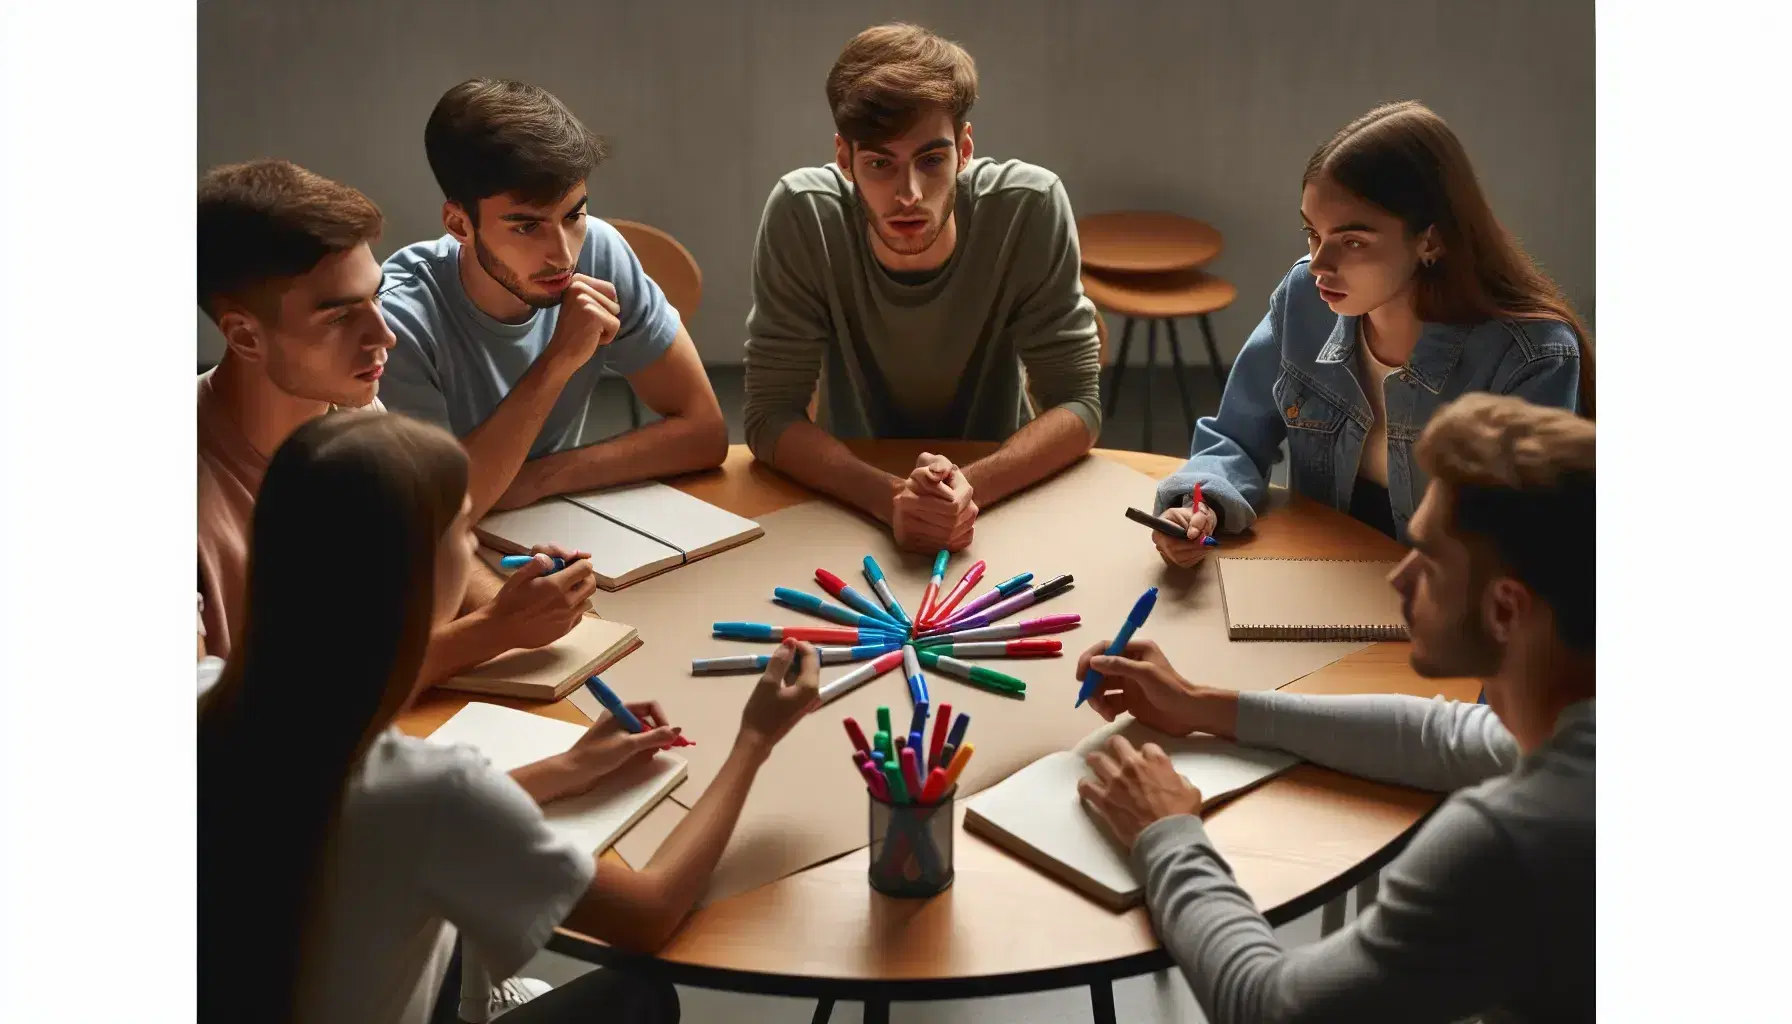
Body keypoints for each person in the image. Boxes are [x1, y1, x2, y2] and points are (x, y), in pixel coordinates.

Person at [197, 411, 822, 1024]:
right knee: (642, 998)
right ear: (420, 577)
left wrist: (567, 768)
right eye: (464, 532)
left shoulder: (207, 695)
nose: (475, 550)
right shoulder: (433, 791)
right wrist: (754, 740)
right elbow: (646, 916)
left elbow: (375, 826)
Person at [1077, 393, 1594, 1023]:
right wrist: (1200, 705)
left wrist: (1167, 836)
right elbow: (1443, 737)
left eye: (1428, 559)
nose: (1398, 579)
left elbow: (1270, 1008)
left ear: (1506, 609)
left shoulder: (1505, 841)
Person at [1148, 101, 1594, 566]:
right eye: (1312, 234)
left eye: (1353, 241)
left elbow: (1529, 551)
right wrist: (1200, 508)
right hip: (1322, 575)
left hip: (1448, 608)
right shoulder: (1304, 297)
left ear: (1430, 241)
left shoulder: (1533, 356)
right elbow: (1235, 437)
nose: (1319, 265)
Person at [197, 160, 589, 680]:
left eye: (376, 297)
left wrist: (517, 600)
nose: (384, 336)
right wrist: (491, 631)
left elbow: (428, 549)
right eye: (339, 316)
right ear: (245, 336)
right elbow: (209, 727)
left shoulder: (349, 407)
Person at [742, 23, 1103, 553]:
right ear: (844, 159)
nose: (907, 194)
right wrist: (888, 498)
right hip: (853, 494)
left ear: (965, 149)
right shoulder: (804, 215)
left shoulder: (1030, 205)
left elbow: (1078, 402)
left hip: (1000, 496)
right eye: (879, 163)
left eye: (931, 160)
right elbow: (770, 414)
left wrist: (968, 489)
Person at [378, 79, 728, 521]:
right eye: (526, 227)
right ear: (459, 224)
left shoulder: (599, 251)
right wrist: (558, 360)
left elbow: (705, 433)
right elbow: (440, 515)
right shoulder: (395, 321)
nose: (564, 256)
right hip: (444, 558)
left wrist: (539, 478)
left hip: (548, 518)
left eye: (573, 214)